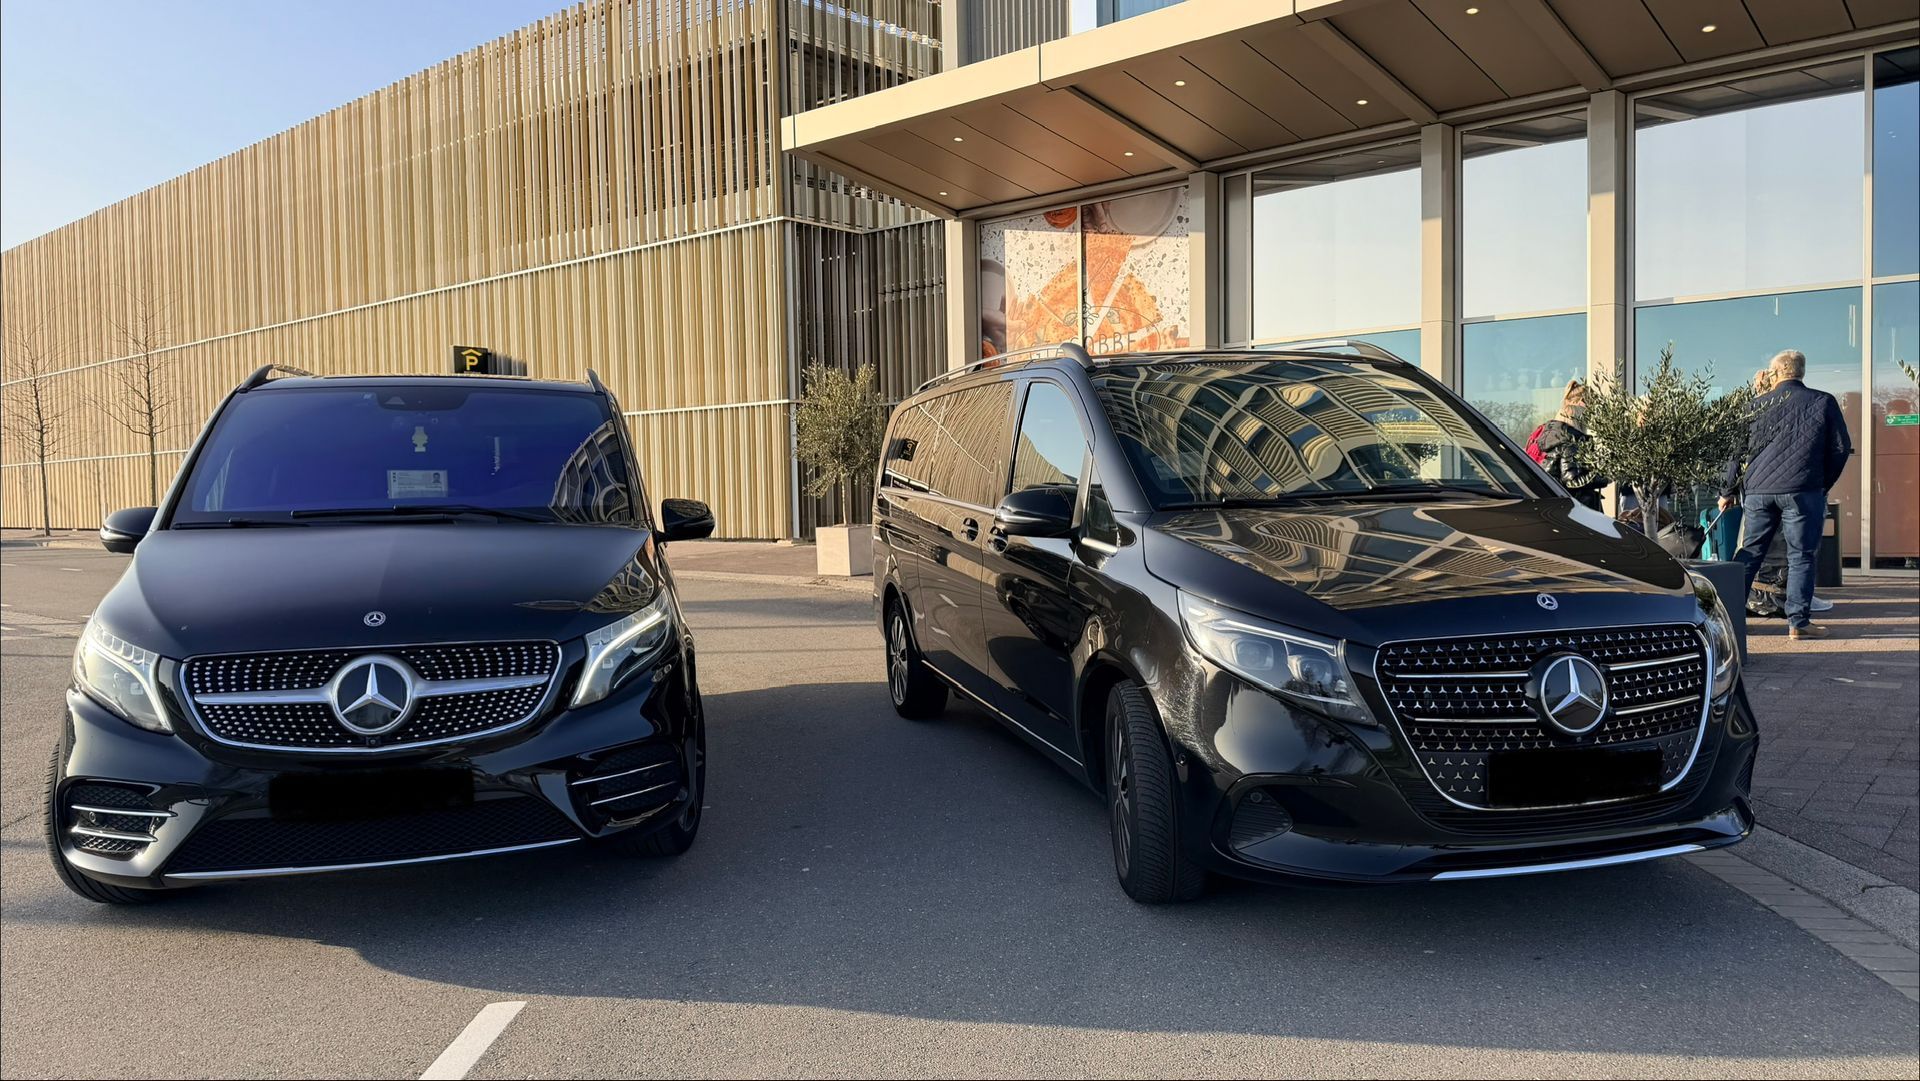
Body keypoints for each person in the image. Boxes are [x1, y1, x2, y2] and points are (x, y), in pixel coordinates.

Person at [1719, 350, 1853, 640]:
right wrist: (1821, 483)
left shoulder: (1753, 407)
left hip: (1758, 492)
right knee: (1801, 556)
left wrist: (1727, 490)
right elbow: (1841, 448)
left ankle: (1728, 620)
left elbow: (1736, 452)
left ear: (1776, 373)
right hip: (1803, 491)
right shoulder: (1822, 401)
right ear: (1801, 372)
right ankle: (1798, 623)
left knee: (1750, 552)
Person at [1532, 379, 1607, 510]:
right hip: (1577, 507)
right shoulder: (1571, 442)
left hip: (1556, 504)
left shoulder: (1552, 437)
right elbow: (1572, 480)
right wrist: (1602, 476)